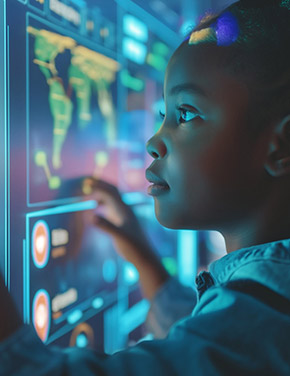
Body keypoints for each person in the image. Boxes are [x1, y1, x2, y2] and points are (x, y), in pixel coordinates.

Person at [1, 0, 290, 373]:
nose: (154, 141)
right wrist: (144, 259)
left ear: (281, 147)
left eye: (185, 114)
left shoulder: (268, 314)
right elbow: (209, 341)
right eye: (162, 115)